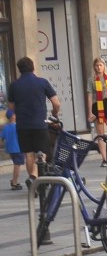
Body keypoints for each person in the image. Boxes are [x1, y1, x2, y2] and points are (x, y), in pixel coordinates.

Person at [6, 57, 61, 187]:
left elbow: (11, 108)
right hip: (39, 124)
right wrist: (54, 113)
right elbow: (56, 103)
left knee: (29, 154)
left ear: (19, 69)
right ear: (33, 67)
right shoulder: (42, 82)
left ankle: (34, 182)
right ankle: (34, 177)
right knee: (43, 153)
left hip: (23, 126)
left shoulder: (14, 85)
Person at [2, 109, 24, 190]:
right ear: (13, 116)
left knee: (16, 164)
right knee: (17, 166)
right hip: (18, 148)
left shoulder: (6, 127)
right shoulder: (18, 126)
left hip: (10, 149)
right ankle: (14, 182)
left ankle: (14, 180)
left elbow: (2, 138)